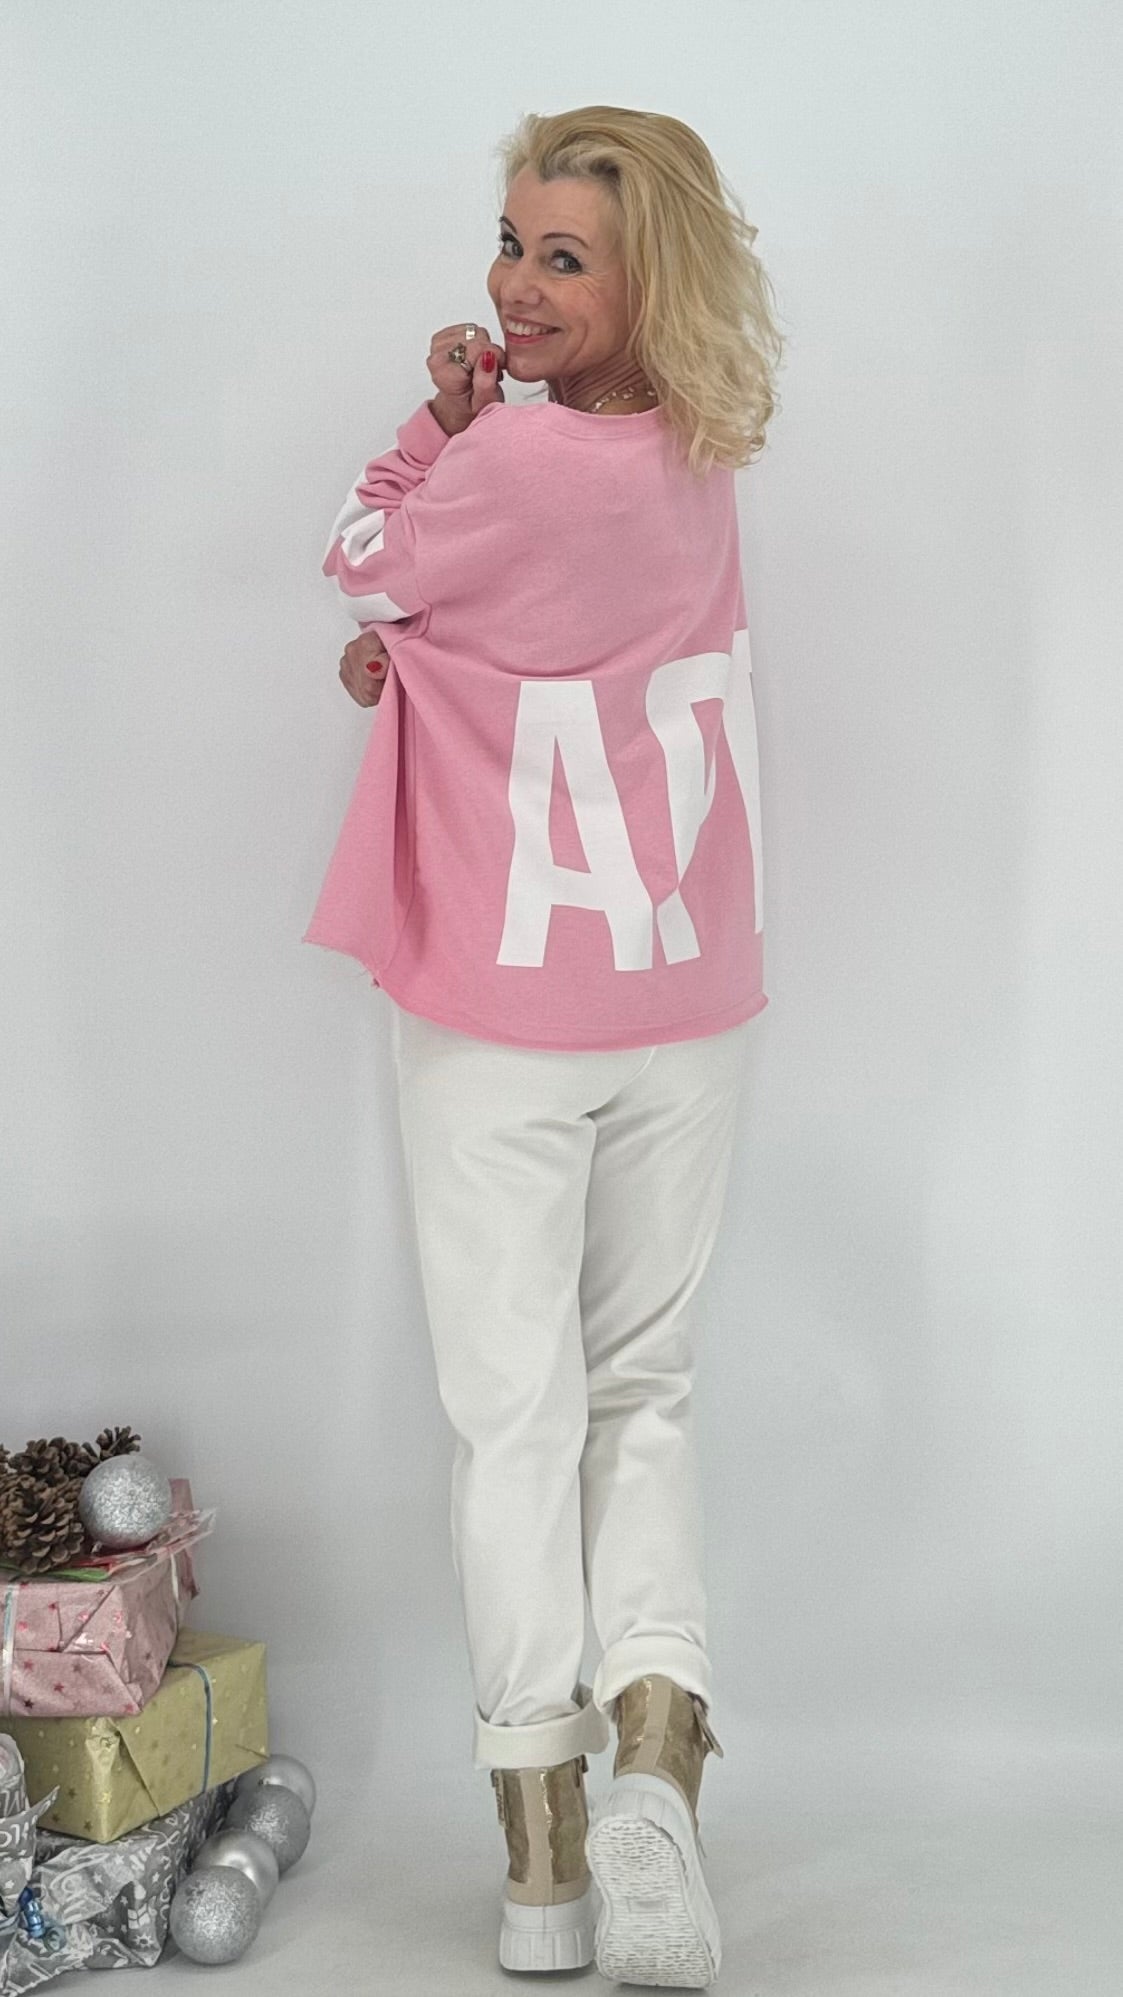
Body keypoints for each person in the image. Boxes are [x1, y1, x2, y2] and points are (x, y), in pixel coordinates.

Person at [305, 105, 784, 1988]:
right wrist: (423, 654)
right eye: (511, 241)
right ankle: (663, 1754)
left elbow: (365, 560)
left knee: (513, 1419)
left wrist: (432, 432)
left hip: (503, 1017)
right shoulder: (702, 452)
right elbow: (505, 634)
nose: (513, 284)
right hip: (686, 997)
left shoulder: (504, 459)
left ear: (647, 276)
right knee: (644, 1392)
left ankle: (546, 1866)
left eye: (564, 258)